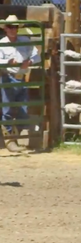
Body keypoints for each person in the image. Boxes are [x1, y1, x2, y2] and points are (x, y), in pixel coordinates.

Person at [0, 15, 41, 152]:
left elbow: (37, 55)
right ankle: (10, 140)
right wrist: (7, 63)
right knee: (8, 109)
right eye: (10, 27)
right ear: (5, 28)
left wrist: (30, 61)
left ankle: (14, 136)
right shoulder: (2, 43)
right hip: (8, 77)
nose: (13, 29)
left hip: (21, 77)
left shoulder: (25, 41)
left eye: (15, 27)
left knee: (23, 109)